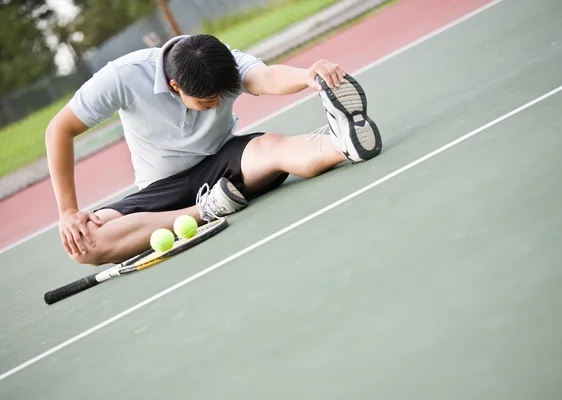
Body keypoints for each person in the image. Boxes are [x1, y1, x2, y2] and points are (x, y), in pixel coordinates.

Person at [45, 34, 382, 266]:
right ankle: (204, 210)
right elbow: (60, 129)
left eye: (222, 95)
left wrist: (307, 77)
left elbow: (265, 77)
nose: (219, 104)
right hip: (161, 190)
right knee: (83, 245)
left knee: (270, 147)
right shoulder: (123, 76)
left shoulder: (226, 63)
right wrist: (68, 211)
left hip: (224, 163)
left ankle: (344, 143)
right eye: (208, 101)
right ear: (175, 86)